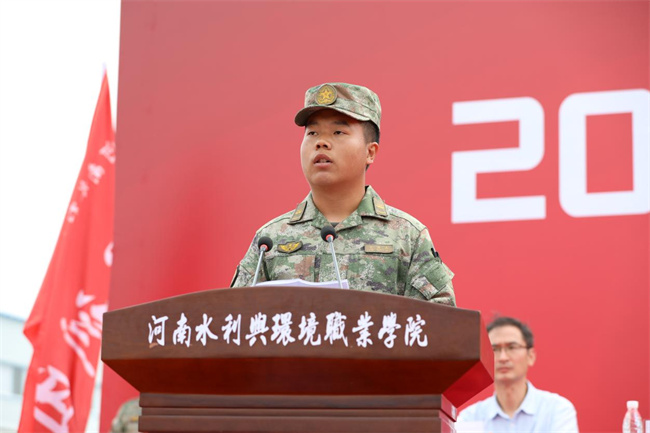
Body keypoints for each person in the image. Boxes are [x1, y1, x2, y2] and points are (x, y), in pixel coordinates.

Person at [230, 82, 455, 305]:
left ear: (370, 152)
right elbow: (233, 317)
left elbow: (439, 321)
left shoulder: (406, 236)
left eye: (338, 132)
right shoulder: (270, 240)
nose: (321, 142)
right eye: (312, 133)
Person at [457, 316, 579, 432]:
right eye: (494, 349)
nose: (503, 358)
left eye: (512, 347)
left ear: (530, 356)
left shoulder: (557, 410)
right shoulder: (470, 417)